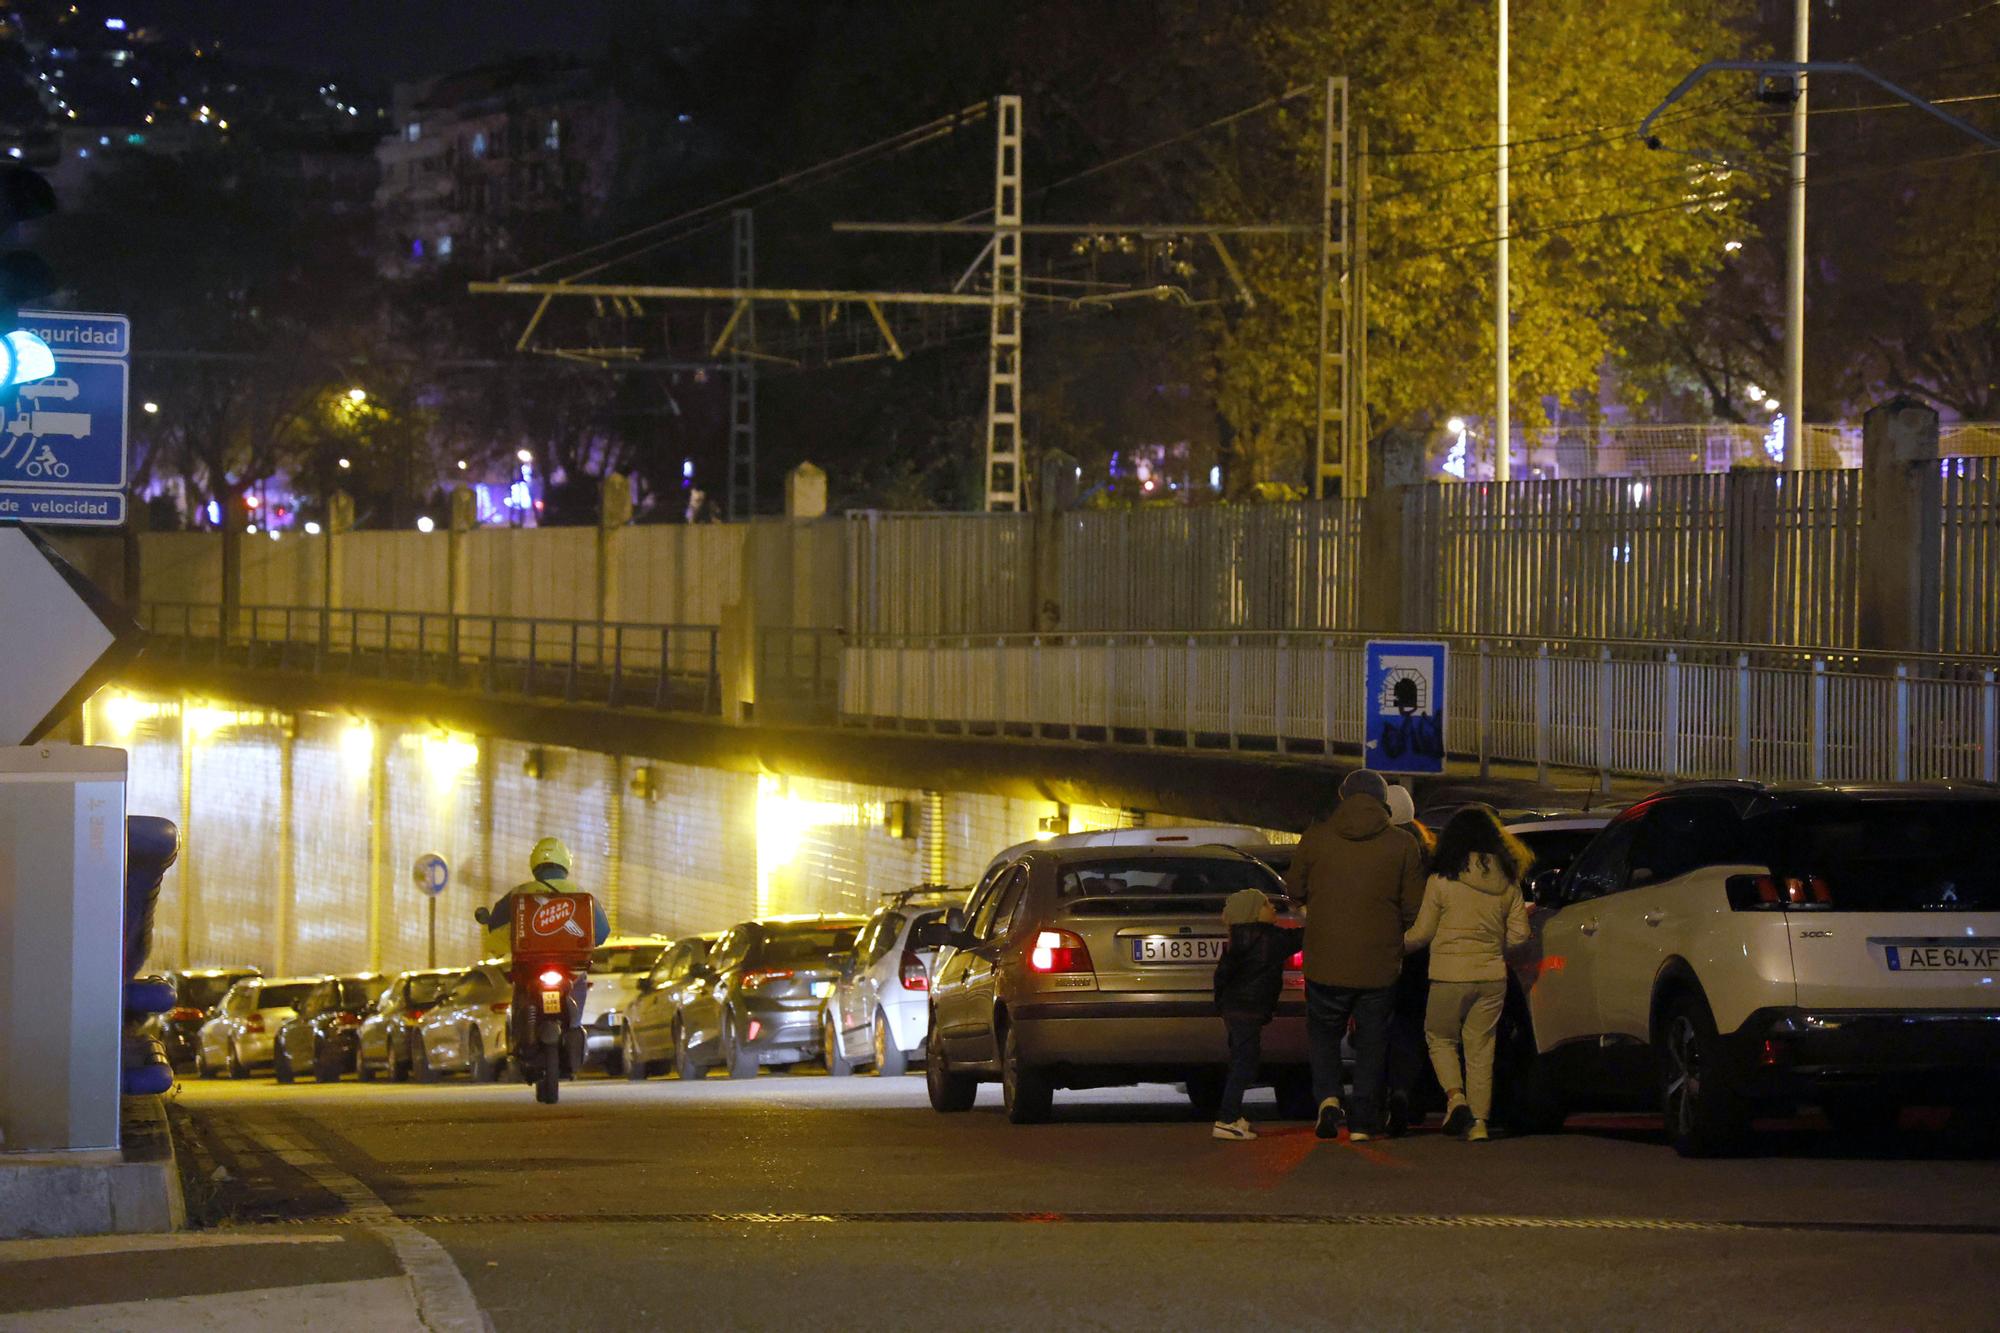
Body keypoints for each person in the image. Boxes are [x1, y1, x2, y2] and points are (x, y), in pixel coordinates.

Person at [1284, 768, 1427, 1142]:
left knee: (1324, 1035)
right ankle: (1364, 1120)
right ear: (1383, 802)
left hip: (1324, 958)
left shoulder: (1315, 838)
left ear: (1343, 797)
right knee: (1372, 1041)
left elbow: (1294, 888)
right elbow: (1414, 909)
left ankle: (1329, 1100)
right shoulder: (1402, 844)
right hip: (1379, 964)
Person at [1403, 806, 1532, 1143]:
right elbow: (1520, 936)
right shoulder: (1508, 881)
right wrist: (1492, 944)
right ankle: (1479, 1123)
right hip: (1491, 976)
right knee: (1481, 1047)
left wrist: (1393, 947)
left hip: (1448, 974)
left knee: (1439, 1037)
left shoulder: (1441, 880)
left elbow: (1421, 934)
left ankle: (1455, 1098)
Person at [1209, 887, 1305, 1142]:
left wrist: (1221, 1005)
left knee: (1241, 1060)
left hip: (1234, 1009)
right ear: (1253, 912)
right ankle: (1227, 1118)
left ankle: (1233, 1115)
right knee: (1245, 1064)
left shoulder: (1237, 939)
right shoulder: (1269, 938)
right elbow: (1301, 938)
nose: (1272, 908)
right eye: (1265, 905)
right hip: (1251, 1010)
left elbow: (1221, 977)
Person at [1382, 783, 1435, 1137]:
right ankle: (1414, 1097)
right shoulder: (1429, 852)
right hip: (1425, 952)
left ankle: (1391, 1095)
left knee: (1385, 1027)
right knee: (1416, 1027)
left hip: (1386, 948)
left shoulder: (1379, 850)